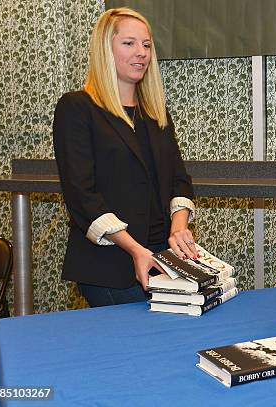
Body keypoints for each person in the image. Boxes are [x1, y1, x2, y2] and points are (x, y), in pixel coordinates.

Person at [53, 8, 197, 307]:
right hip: (108, 267)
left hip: (161, 261)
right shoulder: (77, 108)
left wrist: (179, 227)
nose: (141, 53)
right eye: (129, 43)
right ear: (106, 48)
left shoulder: (156, 113)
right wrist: (135, 249)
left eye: (146, 45)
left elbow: (179, 181)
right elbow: (82, 196)